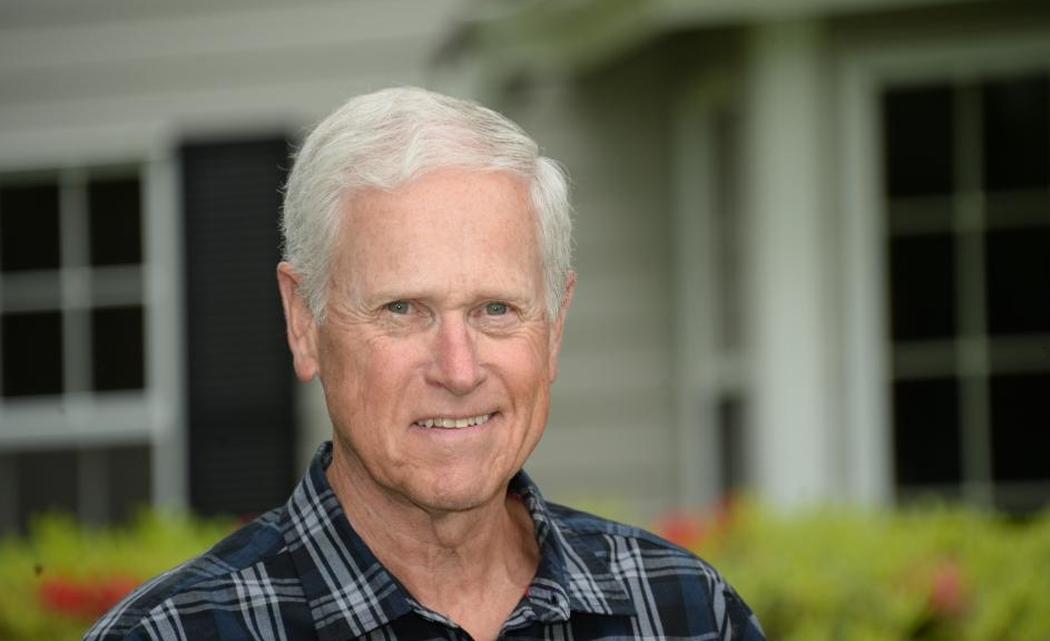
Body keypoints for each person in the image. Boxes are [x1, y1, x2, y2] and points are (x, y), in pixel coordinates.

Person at [84, 87, 765, 641]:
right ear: (303, 322)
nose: (458, 368)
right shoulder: (173, 633)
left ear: (555, 326)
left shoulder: (686, 613)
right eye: (403, 309)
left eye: (497, 308)